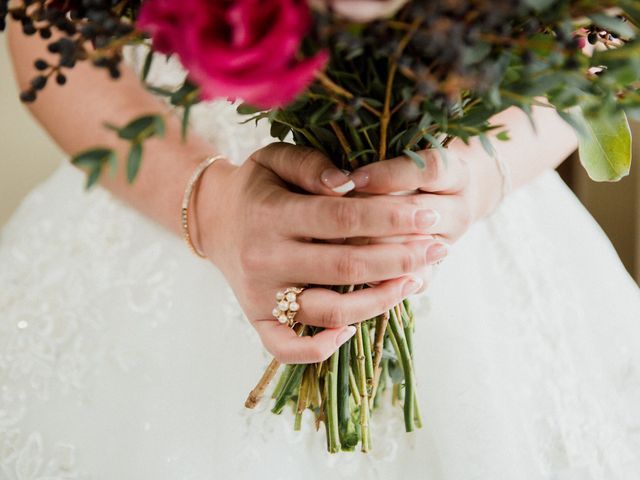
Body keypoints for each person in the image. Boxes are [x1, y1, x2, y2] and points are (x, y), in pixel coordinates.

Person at [2, 19, 640, 480]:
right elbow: (45, 29)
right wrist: (208, 205)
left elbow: (606, 33)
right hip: (162, 179)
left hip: (471, 190)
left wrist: (478, 175)